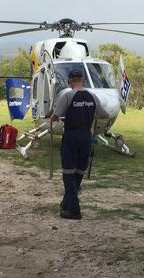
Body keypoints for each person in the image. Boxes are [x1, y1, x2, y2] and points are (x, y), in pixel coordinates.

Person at [50, 69, 108, 220]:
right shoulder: (92, 96)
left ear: (69, 81)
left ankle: (74, 211)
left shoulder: (68, 95)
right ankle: (66, 203)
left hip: (72, 135)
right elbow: (104, 114)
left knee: (68, 173)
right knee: (79, 172)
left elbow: (55, 116)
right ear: (83, 81)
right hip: (86, 137)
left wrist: (54, 118)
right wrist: (88, 113)